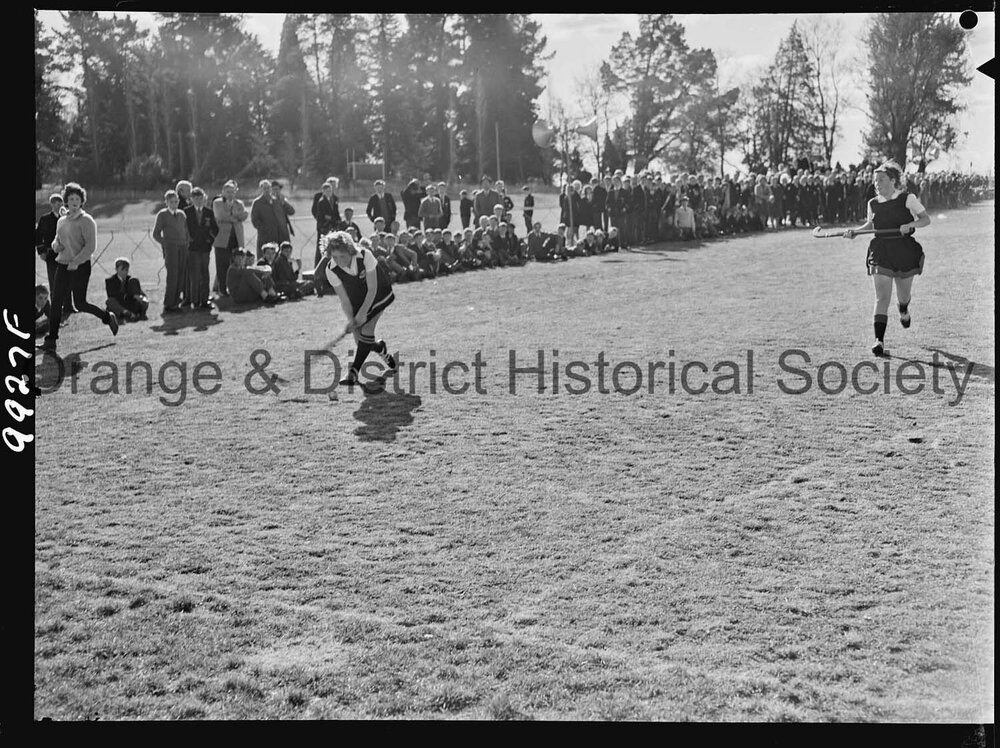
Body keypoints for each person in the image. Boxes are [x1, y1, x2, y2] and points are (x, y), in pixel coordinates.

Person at [844, 160, 931, 357]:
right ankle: (879, 341)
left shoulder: (907, 198)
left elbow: (926, 219)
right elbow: (870, 225)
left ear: (893, 180)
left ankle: (903, 308)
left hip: (904, 250)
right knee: (882, 297)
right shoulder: (872, 203)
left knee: (902, 296)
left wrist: (910, 225)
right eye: (875, 181)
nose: (877, 184)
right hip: (881, 249)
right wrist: (855, 232)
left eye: (881, 180)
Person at [40, 183, 119, 352]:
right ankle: (51, 340)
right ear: (66, 202)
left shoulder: (87, 221)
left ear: (82, 201)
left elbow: (90, 246)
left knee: (80, 303)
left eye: (77, 199)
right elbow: (56, 239)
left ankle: (107, 317)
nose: (74, 201)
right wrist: (55, 247)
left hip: (80, 266)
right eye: (71, 199)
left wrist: (76, 261)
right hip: (62, 265)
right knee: (56, 302)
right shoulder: (61, 220)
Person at [322, 231, 397, 387]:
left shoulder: (365, 255)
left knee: (367, 329)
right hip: (356, 299)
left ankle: (353, 372)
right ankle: (380, 348)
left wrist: (363, 314)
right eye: (334, 257)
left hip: (378, 293)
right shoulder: (331, 269)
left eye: (342, 256)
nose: (339, 261)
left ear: (349, 250)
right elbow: (344, 300)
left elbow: (372, 288)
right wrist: (351, 320)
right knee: (360, 339)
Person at [36, 192, 74, 319]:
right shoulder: (45, 219)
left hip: (66, 255)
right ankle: (56, 309)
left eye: (61, 203)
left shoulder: (67, 218)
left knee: (68, 281)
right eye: (56, 203)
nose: (59, 206)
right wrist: (41, 251)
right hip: (51, 256)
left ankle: (69, 306)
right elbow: (38, 236)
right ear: (52, 204)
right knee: (54, 283)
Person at [152, 189, 192, 312]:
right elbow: (156, 234)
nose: (174, 204)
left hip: (183, 248)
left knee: (181, 276)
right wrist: (166, 244)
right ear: (167, 202)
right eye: (172, 202)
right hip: (171, 249)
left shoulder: (181, 214)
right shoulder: (162, 215)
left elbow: (186, 231)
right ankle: (169, 303)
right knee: (172, 276)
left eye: (176, 201)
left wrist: (187, 242)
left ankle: (176, 302)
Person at [185, 186, 219, 310]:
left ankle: (205, 300)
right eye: (196, 198)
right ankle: (195, 300)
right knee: (194, 275)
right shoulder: (186, 212)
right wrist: (188, 239)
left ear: (204, 198)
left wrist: (209, 240)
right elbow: (184, 229)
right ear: (192, 199)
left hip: (205, 248)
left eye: (200, 198)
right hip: (192, 248)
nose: (198, 200)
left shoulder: (209, 212)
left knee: (205, 274)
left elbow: (215, 229)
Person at [212, 180, 248, 297]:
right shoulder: (217, 203)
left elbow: (245, 214)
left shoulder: (239, 203)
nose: (230, 194)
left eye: (232, 192)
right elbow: (220, 215)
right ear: (223, 192)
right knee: (222, 265)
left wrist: (232, 217)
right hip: (222, 239)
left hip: (236, 238)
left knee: (237, 264)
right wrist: (235, 217)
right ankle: (222, 289)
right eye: (228, 192)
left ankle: (235, 287)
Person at [105, 257, 150, 321]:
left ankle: (135, 314)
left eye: (126, 270)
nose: (125, 272)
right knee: (109, 301)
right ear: (116, 269)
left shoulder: (132, 280)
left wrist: (141, 298)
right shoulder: (110, 281)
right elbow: (111, 295)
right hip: (119, 303)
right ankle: (127, 313)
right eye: (122, 269)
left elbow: (140, 293)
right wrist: (129, 295)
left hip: (130, 303)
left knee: (143, 300)